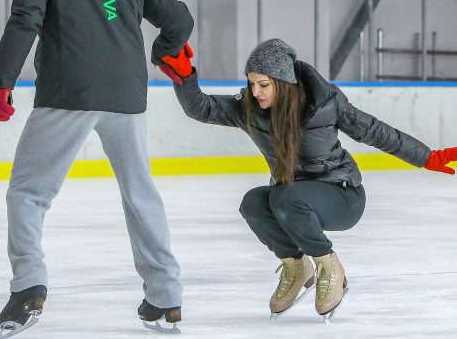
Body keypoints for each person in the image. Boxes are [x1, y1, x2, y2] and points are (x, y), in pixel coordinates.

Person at [0, 0, 192, 337]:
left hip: (68, 91)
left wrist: (3, 83)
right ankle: (165, 298)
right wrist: (164, 55)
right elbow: (178, 19)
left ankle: (28, 287)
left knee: (28, 192)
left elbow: (26, 18)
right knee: (141, 194)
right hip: (126, 93)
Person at [160, 38, 457, 320]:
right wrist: (185, 76)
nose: (256, 92)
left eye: (263, 85)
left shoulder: (324, 103)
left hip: (341, 195)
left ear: (284, 83)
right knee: (253, 202)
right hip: (293, 198)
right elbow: (202, 108)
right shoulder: (249, 110)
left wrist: (428, 157)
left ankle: (329, 266)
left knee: (284, 197)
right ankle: (295, 266)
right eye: (251, 84)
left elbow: (376, 131)